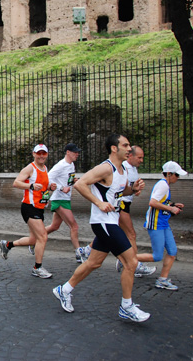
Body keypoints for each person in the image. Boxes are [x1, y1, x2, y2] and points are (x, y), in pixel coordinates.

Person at [52, 134, 150, 322]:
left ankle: (63, 290)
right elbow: (80, 183)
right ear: (114, 148)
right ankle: (126, 307)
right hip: (103, 222)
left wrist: (134, 188)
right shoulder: (106, 167)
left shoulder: (122, 170)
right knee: (131, 263)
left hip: (111, 221)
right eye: (125, 145)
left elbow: (120, 191)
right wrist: (99, 203)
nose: (129, 148)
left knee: (94, 263)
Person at [0, 144, 57, 278]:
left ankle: (7, 245)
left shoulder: (44, 168)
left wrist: (49, 186)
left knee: (33, 240)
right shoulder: (30, 168)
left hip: (39, 207)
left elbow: (41, 186)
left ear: (47, 155)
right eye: (39, 153)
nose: (41, 156)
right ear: (34, 154)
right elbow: (16, 183)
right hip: (29, 207)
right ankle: (37, 268)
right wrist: (30, 185)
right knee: (43, 236)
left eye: (44, 153)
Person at [135, 161, 187, 291]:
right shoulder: (163, 185)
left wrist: (173, 205)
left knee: (172, 251)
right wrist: (171, 209)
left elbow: (161, 202)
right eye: (176, 175)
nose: (178, 178)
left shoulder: (165, 185)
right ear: (169, 174)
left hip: (163, 223)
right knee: (157, 256)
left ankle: (162, 280)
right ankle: (128, 260)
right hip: (156, 224)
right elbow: (152, 202)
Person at [115, 146, 156, 277]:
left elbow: (131, 190)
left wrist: (136, 190)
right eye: (139, 157)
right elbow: (118, 187)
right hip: (120, 204)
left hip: (126, 204)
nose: (141, 160)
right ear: (130, 156)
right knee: (131, 234)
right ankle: (134, 264)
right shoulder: (123, 167)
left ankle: (86, 251)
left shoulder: (133, 168)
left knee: (113, 235)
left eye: (142, 157)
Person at [44, 143, 86, 262]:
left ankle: (34, 240)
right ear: (68, 152)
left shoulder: (71, 165)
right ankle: (78, 253)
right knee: (74, 226)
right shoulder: (60, 165)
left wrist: (73, 181)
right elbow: (48, 178)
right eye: (75, 152)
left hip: (66, 199)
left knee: (54, 226)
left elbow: (67, 179)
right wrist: (61, 188)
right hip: (59, 199)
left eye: (78, 152)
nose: (77, 154)